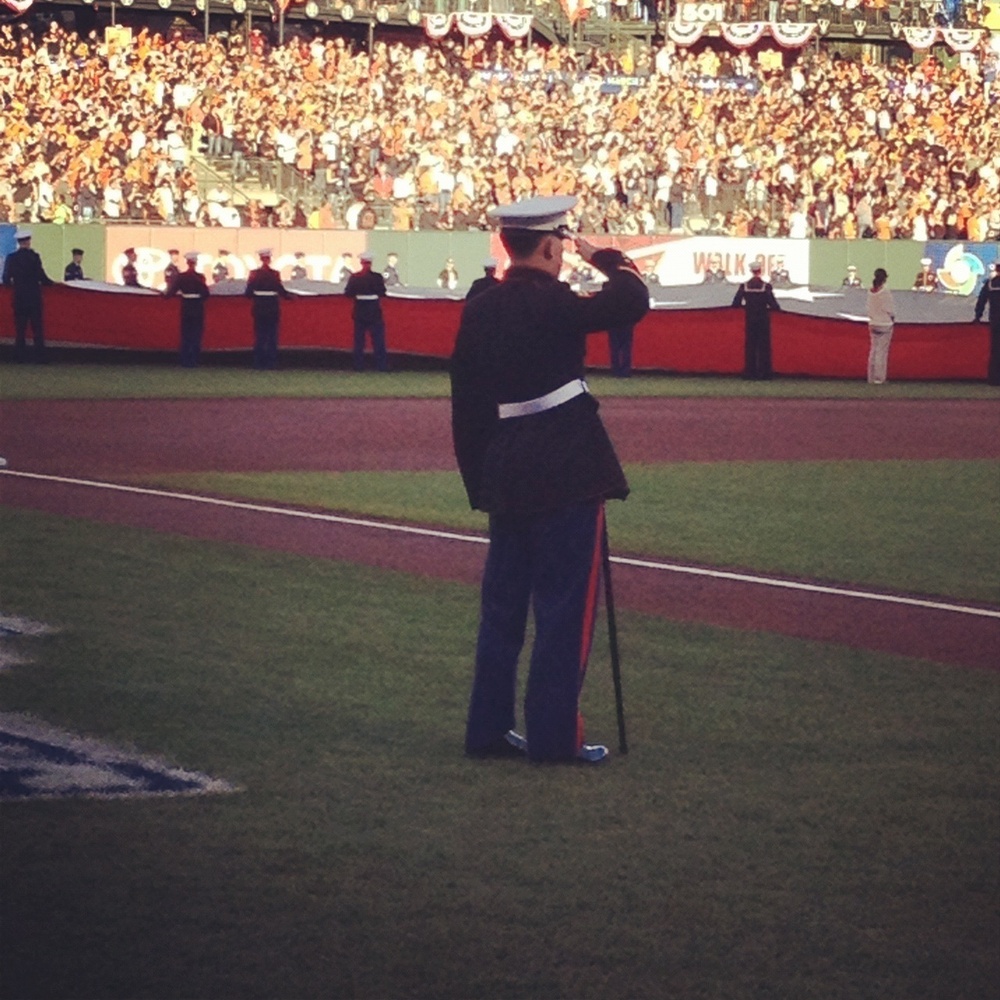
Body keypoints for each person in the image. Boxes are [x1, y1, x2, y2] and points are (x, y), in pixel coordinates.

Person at [450, 195, 649, 765]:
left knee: (503, 611)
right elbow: (633, 300)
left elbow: (465, 403)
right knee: (564, 610)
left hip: (505, 471)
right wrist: (607, 256)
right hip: (565, 471)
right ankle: (553, 737)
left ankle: (487, 729)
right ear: (550, 245)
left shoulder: (481, 306)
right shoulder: (554, 302)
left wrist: (481, 477)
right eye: (561, 244)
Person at [2, 228, 55, 363]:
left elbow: (6, 279)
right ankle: (40, 357)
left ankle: (19, 357)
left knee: (20, 329)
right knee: (37, 328)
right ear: (28, 241)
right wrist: (53, 284)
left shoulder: (12, 258)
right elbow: (42, 277)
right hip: (34, 297)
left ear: (19, 242)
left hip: (19, 297)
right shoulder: (34, 257)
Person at [731, 259, 781, 380]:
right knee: (764, 346)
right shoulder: (766, 286)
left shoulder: (744, 286)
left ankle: (750, 373)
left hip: (750, 319)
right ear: (760, 271)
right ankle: (765, 373)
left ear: (751, 271)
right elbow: (774, 305)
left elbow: (736, 303)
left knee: (751, 346)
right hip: (763, 319)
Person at [244, 248, 291, 370]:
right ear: (269, 259)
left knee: (259, 336)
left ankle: (258, 362)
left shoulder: (254, 274)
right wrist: (291, 297)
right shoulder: (274, 274)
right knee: (272, 336)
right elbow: (281, 291)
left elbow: (248, 293)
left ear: (260, 259)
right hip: (272, 309)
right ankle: (271, 362)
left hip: (259, 308)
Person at [344, 250, 389, 372]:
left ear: (361, 263)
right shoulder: (377, 277)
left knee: (359, 341)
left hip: (360, 310)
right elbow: (382, 293)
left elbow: (348, 293)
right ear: (371, 263)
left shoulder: (355, 277)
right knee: (378, 340)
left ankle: (358, 366)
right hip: (374, 310)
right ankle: (381, 366)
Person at [164, 250, 210, 368]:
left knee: (185, 334)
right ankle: (194, 360)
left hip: (186, 308)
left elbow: (170, 294)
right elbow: (205, 294)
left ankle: (184, 360)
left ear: (187, 262)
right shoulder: (200, 277)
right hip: (197, 308)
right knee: (196, 335)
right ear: (195, 263)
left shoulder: (181, 277)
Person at [866, 267, 896, 385]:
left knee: (873, 350)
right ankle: (879, 379)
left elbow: (868, 308)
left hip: (873, 323)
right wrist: (892, 318)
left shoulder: (870, 291)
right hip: (885, 323)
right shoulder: (885, 292)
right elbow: (890, 309)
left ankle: (871, 377)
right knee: (881, 353)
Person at [973, 261, 1000, 386]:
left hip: (995, 321)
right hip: (995, 321)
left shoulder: (990, 283)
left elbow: (981, 300)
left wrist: (978, 316)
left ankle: (994, 379)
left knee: (995, 350)